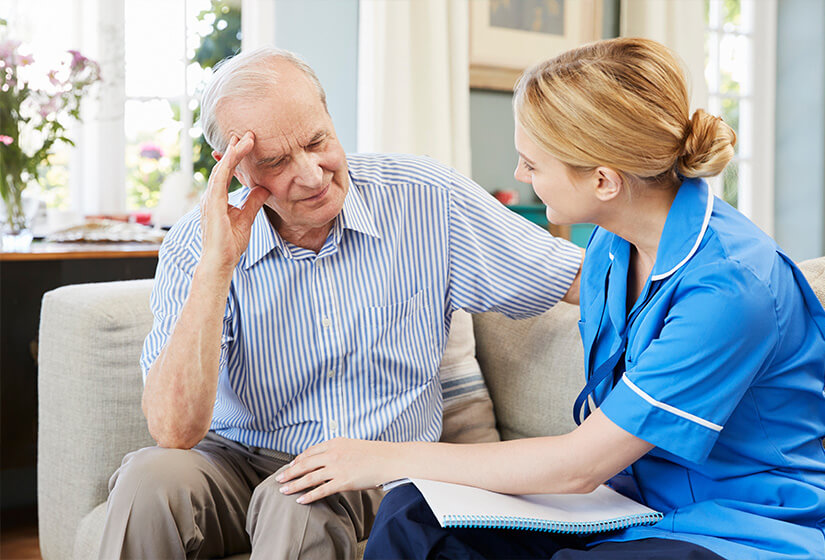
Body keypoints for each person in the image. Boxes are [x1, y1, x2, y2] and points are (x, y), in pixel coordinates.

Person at [278, 37, 825, 559]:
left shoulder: (732, 287)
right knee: (415, 516)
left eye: (534, 162)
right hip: (629, 504)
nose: (519, 173)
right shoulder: (610, 248)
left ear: (603, 180)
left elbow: (579, 464)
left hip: (739, 524)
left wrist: (382, 456)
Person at [97, 46, 583, 560]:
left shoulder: (425, 200)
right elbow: (174, 431)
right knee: (150, 478)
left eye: (316, 141)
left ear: (330, 118)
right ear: (234, 168)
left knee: (299, 499)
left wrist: (675, 280)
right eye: (277, 162)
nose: (311, 174)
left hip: (370, 468)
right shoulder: (197, 242)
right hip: (235, 462)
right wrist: (217, 265)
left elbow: (576, 275)